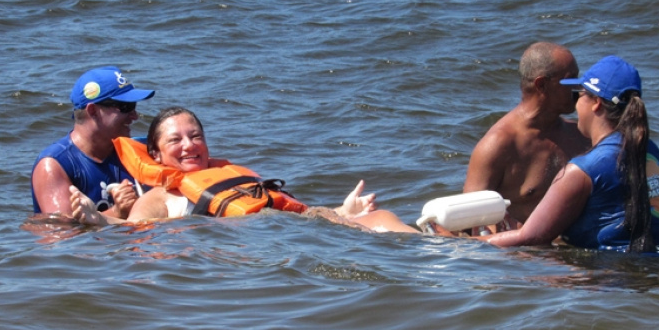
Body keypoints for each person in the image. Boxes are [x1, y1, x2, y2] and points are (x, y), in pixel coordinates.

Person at [438, 56, 659, 254]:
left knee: (534, 268)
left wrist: (458, 245)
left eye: (579, 93)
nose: (575, 102)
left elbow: (530, 238)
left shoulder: (582, 170)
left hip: (616, 276)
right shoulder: (648, 149)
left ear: (595, 103)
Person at [70, 106, 421, 234]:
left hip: (297, 229)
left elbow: (296, 213)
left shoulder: (232, 177)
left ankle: (443, 246)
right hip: (261, 245)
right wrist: (97, 218)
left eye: (196, 136)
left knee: (381, 218)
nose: (189, 145)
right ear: (155, 154)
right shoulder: (158, 198)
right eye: (175, 140)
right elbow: (135, 230)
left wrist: (343, 211)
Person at [463, 42, 590, 229]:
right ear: (542, 85)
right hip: (527, 247)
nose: (579, 87)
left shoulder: (580, 135)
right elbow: (468, 221)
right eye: (570, 80)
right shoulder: (498, 145)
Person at [31, 66, 155, 220]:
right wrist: (117, 212)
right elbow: (62, 231)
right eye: (126, 107)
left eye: (134, 106)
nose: (135, 116)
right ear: (93, 111)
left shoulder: (142, 149)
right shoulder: (55, 165)